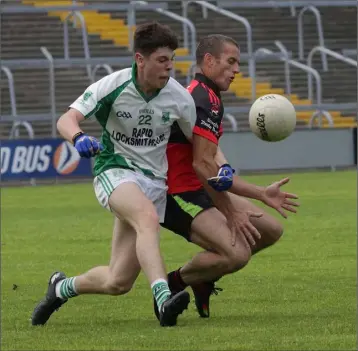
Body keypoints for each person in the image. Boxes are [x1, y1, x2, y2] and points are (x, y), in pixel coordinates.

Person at [30, 21, 200, 328]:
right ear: (140, 59)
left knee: (117, 281)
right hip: (115, 171)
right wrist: (78, 137)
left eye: (172, 59)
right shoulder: (113, 86)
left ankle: (60, 288)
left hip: (153, 184)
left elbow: (203, 147)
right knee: (147, 217)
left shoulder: (179, 98)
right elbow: (67, 119)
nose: (170, 67)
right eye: (162, 60)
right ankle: (163, 300)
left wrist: (225, 170)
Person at [156, 34, 299, 319]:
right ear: (209, 61)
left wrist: (259, 193)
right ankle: (175, 283)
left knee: (270, 230)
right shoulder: (200, 98)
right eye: (231, 62)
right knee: (236, 255)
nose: (236, 70)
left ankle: (205, 277)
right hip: (177, 194)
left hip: (201, 187)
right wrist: (231, 211)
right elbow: (202, 164)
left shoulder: (209, 96)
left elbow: (212, 163)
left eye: (238, 63)